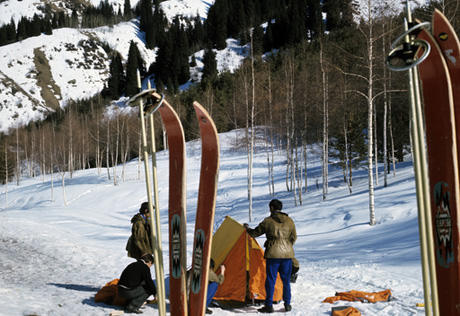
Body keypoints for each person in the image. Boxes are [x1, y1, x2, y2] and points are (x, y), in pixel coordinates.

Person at [245, 199, 297, 313]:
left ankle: (269, 305)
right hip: (287, 255)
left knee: (271, 280)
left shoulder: (268, 221)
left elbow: (255, 233)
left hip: (273, 254)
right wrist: (287, 245)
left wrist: (247, 229)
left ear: (271, 208)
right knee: (286, 281)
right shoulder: (290, 221)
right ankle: (287, 304)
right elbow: (294, 237)